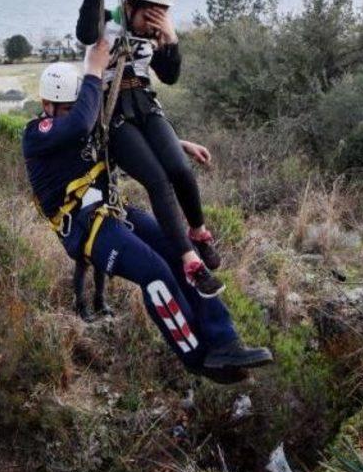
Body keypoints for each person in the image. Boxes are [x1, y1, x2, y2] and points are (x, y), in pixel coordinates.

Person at [22, 43, 273, 384]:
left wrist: (177, 144)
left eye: (72, 107)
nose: (69, 113)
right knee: (154, 273)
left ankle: (224, 341)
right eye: (63, 109)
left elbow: (114, 133)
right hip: (85, 228)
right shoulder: (37, 134)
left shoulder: (82, 121)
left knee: (182, 250)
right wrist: (95, 70)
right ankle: (197, 357)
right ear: (46, 105)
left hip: (113, 211)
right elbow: (79, 125)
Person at [76, 0, 223, 299]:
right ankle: (191, 263)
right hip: (114, 113)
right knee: (157, 180)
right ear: (129, 6)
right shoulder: (107, 23)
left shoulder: (154, 32)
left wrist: (170, 40)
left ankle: (199, 233)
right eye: (146, 17)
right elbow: (84, 32)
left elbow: (169, 76)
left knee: (180, 171)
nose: (148, 27)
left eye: (158, 18)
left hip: (145, 105)